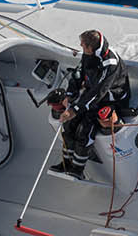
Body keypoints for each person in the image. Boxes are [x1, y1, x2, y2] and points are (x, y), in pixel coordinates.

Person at [50, 29, 131, 178]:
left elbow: (100, 90)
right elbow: (78, 74)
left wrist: (75, 109)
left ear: (91, 47)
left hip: (112, 97)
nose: (80, 46)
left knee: (85, 128)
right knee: (69, 125)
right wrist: (70, 94)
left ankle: (77, 169)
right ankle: (66, 163)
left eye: (83, 45)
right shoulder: (88, 55)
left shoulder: (110, 63)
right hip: (92, 94)